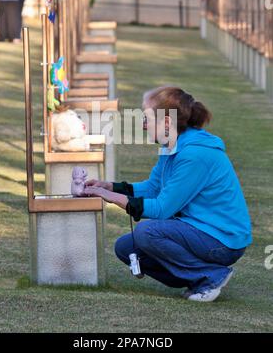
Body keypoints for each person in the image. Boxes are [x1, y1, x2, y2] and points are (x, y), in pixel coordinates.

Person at [84, 86, 252, 302]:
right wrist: (111, 187)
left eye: (146, 119)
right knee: (126, 248)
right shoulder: (172, 144)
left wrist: (113, 199)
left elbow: (163, 209)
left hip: (224, 241)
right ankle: (198, 278)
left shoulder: (194, 154)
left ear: (166, 122)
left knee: (147, 231)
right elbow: (154, 187)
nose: (143, 126)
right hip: (200, 231)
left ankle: (211, 276)